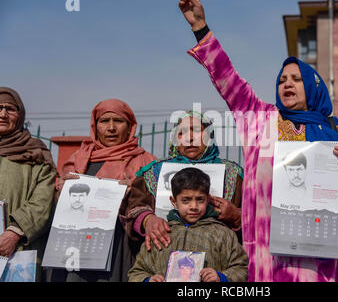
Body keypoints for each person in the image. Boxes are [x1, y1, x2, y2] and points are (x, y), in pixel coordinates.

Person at [178, 0, 338, 282]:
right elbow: (230, 80)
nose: (287, 84)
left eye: (297, 78)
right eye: (282, 79)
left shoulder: (334, 128)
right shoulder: (260, 119)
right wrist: (201, 28)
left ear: (313, 86)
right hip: (271, 259)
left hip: (326, 262)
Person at [49, 98, 156, 282]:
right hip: (76, 248)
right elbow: (56, 205)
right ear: (95, 126)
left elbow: (159, 206)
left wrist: (137, 192)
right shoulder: (78, 159)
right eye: (104, 121)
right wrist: (61, 191)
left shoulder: (146, 162)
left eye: (119, 121)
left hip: (120, 248)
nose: (111, 128)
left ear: (130, 127)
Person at [120, 110, 244, 250]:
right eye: (182, 133)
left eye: (197, 131)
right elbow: (134, 206)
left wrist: (236, 215)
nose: (189, 138)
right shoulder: (154, 172)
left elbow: (260, 216)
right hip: (164, 254)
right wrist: (148, 220)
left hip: (218, 258)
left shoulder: (233, 174)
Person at [128, 167, 248, 282]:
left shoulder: (222, 234)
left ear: (208, 199)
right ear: (174, 202)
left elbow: (242, 268)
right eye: (186, 200)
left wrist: (221, 277)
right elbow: (136, 272)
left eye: (200, 199)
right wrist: (148, 280)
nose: (194, 207)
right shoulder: (161, 234)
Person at [0, 87, 57, 281]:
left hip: (18, 250)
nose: (3, 114)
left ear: (20, 115)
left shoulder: (35, 153)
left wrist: (14, 233)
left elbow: (44, 201)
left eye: (10, 109)